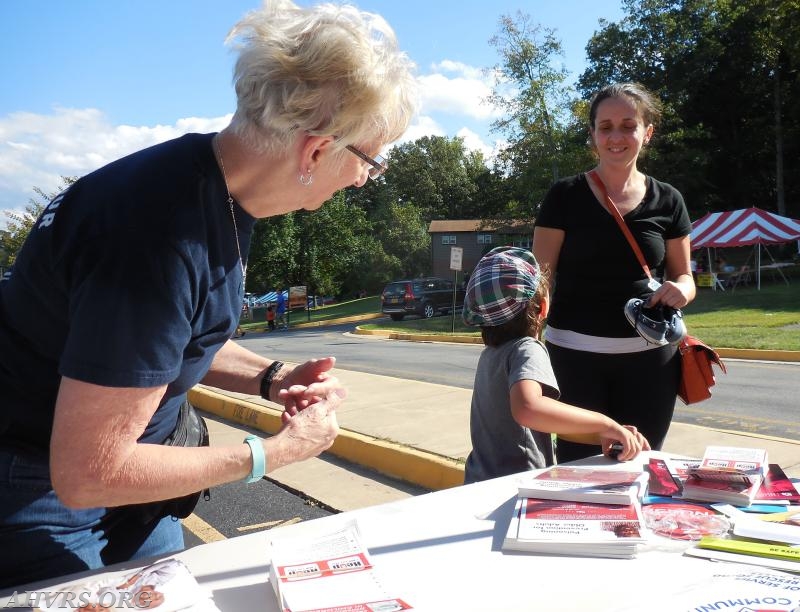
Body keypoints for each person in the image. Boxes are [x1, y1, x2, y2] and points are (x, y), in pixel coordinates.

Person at [0, 0, 416, 589]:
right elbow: (88, 472)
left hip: (136, 491)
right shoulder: (157, 237)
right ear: (317, 150)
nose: (363, 179)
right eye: (371, 161)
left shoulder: (211, 185)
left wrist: (271, 378)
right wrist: (275, 454)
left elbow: (153, 345)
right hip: (47, 500)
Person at [532, 82, 696, 465]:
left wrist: (681, 291)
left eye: (628, 125)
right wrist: (527, 341)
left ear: (647, 133)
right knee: (580, 471)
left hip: (651, 363)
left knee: (640, 466)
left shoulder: (669, 200)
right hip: (573, 361)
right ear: (592, 135)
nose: (616, 136)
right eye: (605, 127)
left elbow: (685, 277)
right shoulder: (564, 196)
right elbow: (540, 280)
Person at [461, 246, 649, 485]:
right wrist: (606, 423)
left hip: (480, 481)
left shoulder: (491, 355)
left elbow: (540, 422)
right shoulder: (527, 348)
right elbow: (528, 409)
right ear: (542, 307)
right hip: (515, 485)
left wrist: (600, 435)